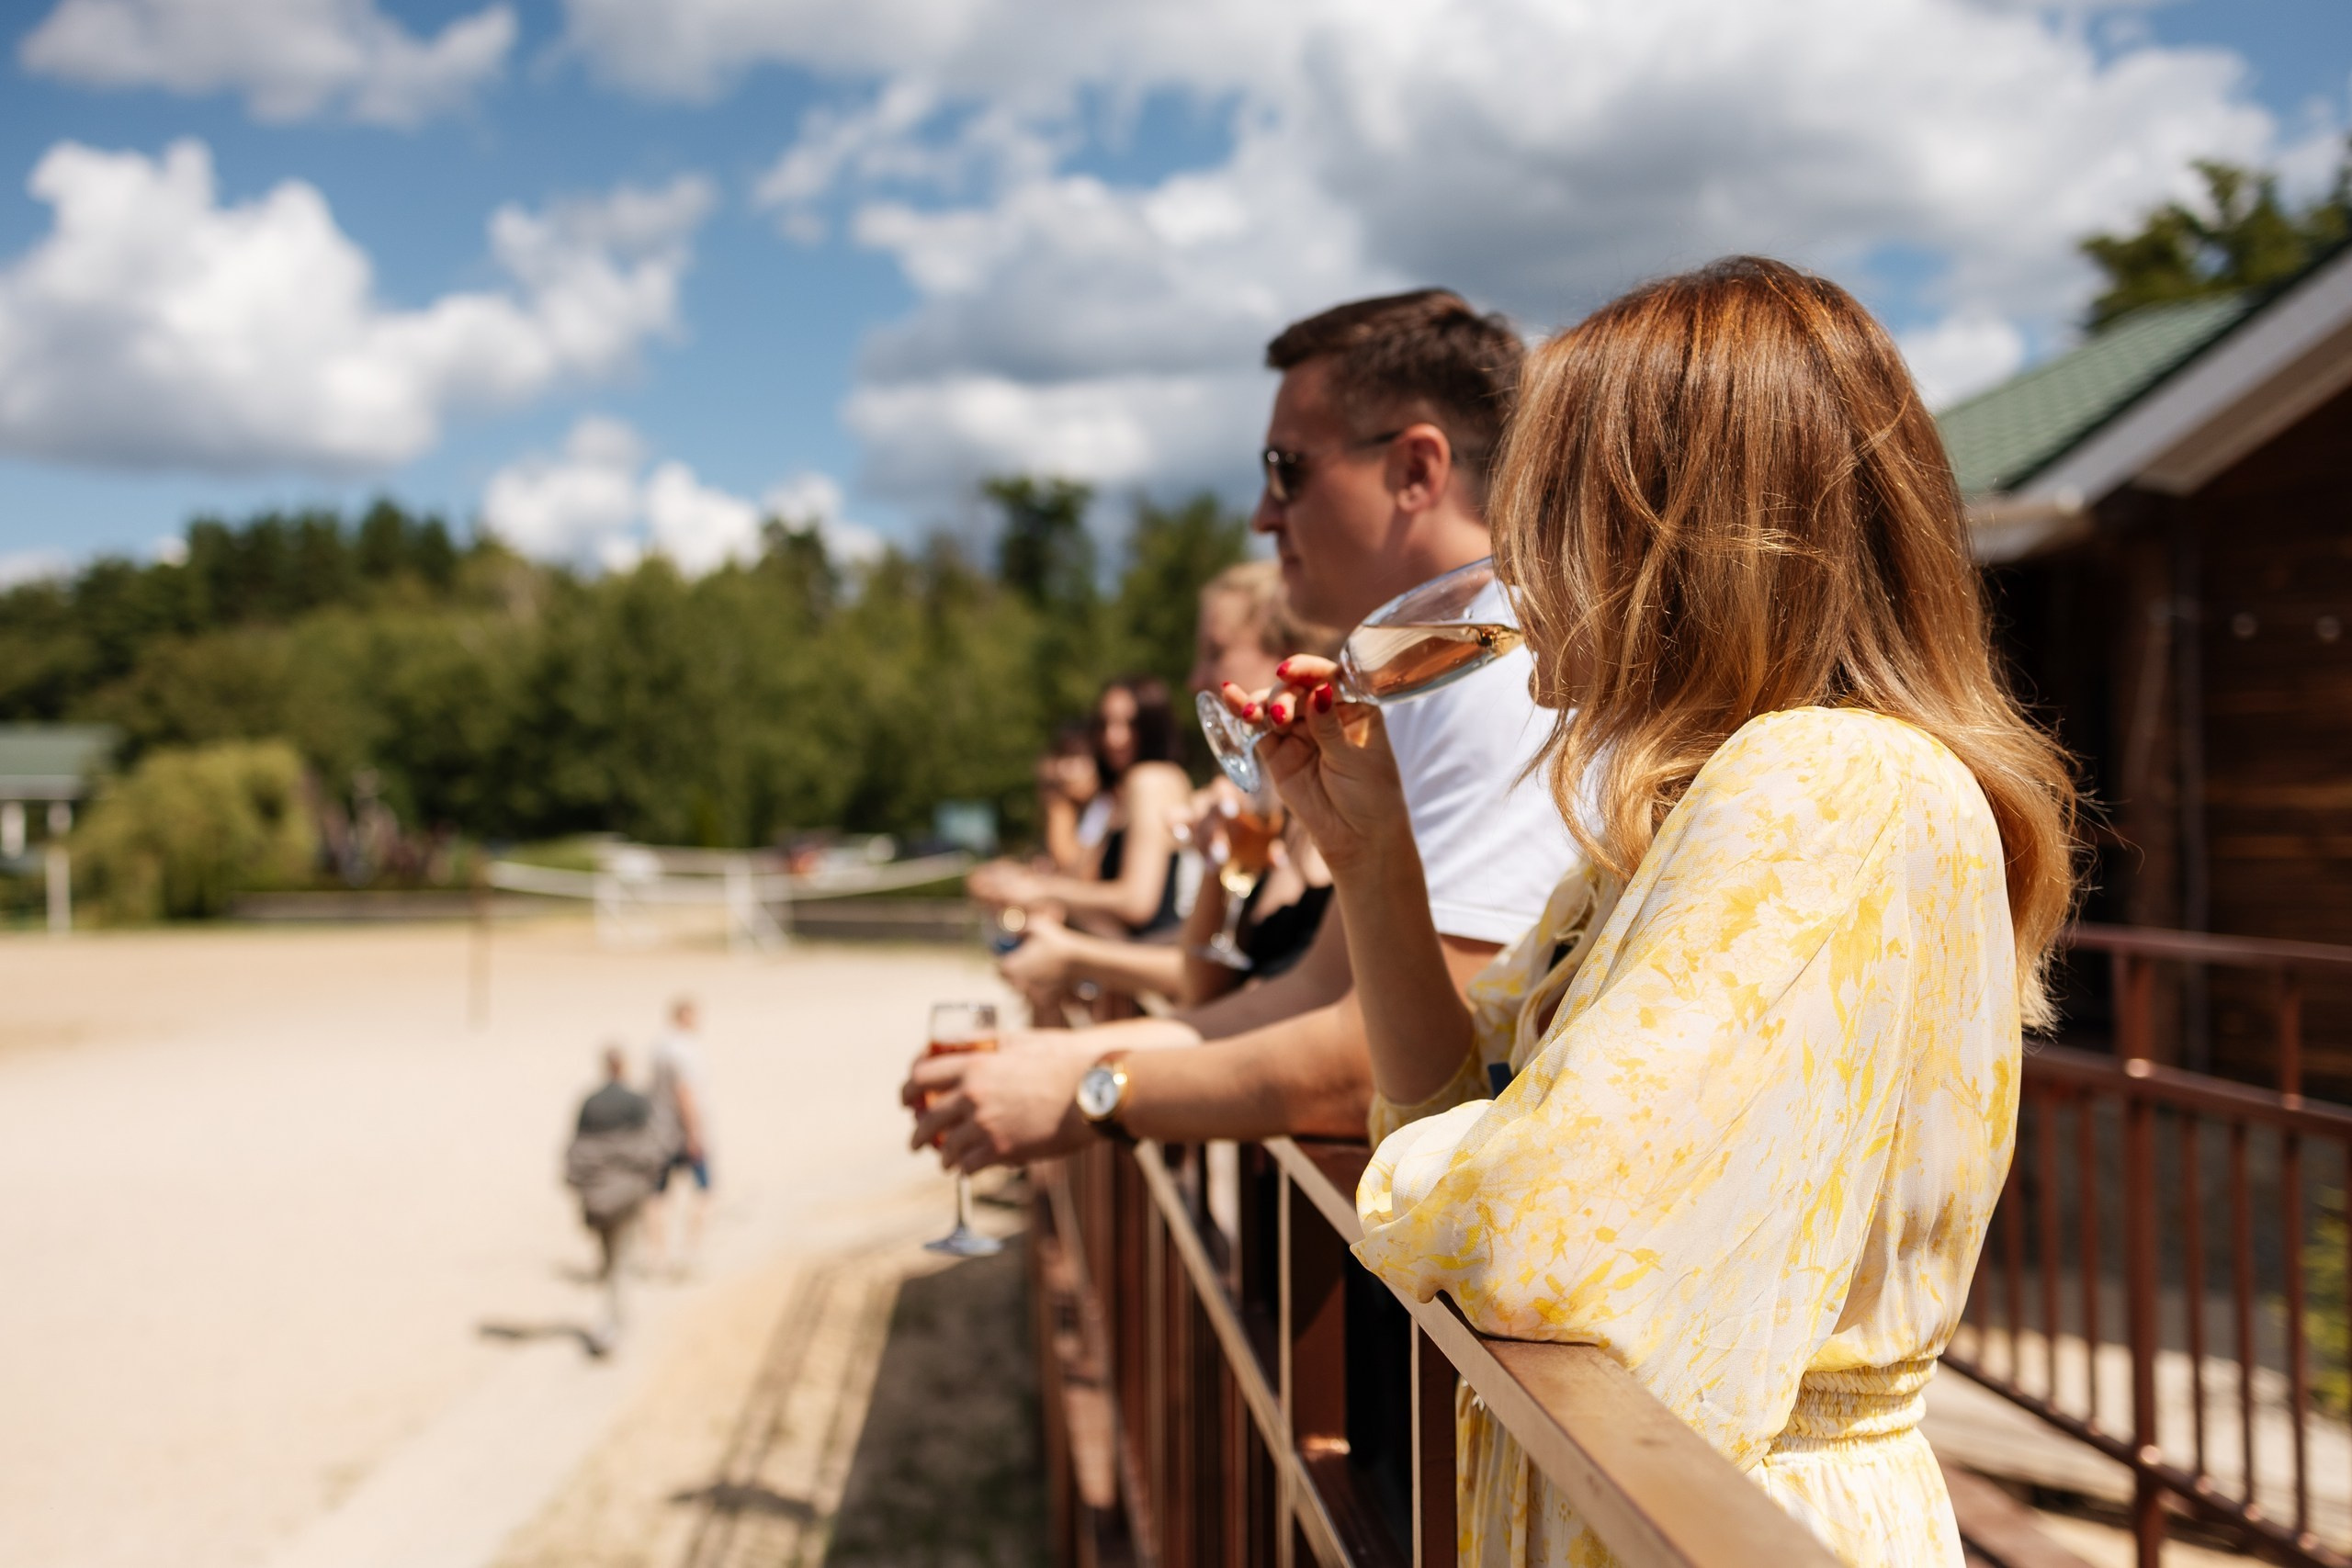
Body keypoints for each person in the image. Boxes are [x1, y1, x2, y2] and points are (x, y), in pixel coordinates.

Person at [1248, 258, 2078, 1565]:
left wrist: (1423, 1199)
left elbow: (1534, 1230)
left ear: (1673, 527)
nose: (1513, 566)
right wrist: (1372, 859)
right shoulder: (1669, 824)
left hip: (1736, 1522)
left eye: (1547, 510)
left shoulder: (1828, 780)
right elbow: (1450, 1113)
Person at [906, 288, 1584, 1164]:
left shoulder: (1499, 665)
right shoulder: (1423, 667)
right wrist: (1045, 1060)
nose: (1264, 514)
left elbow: (1393, 1064)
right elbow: (1311, 995)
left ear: (1416, 471)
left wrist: (1092, 1090)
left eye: (1286, 468)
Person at [1000, 561, 1343, 1011]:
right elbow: (1203, 984)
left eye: (1215, 652)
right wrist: (1212, 867)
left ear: (1290, 656)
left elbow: (1142, 911)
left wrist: (1070, 953)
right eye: (1103, 724)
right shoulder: (1261, 805)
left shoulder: (1347, 806)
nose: (1195, 679)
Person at [970, 676, 1193, 942]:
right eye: (1105, 724)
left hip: (1149, 949)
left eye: (1130, 724)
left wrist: (1042, 890)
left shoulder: (1150, 779)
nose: (1114, 737)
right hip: (1127, 943)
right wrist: (1021, 880)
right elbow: (1081, 875)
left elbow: (1137, 902)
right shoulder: (1124, 791)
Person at [563, 1045, 667, 1354]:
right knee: (621, 1260)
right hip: (626, 1196)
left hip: (596, 1198)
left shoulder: (590, 1104)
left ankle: (612, 1320)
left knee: (609, 1259)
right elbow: (650, 1150)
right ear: (623, 1067)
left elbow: (576, 1154)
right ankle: (615, 1324)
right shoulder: (636, 1103)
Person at [642, 997, 711, 1273]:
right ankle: (690, 1253)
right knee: (704, 1192)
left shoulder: (659, 1048)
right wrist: (694, 1133)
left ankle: (657, 1256)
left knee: (657, 1196)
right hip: (680, 1132)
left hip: (658, 1129)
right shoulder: (685, 1051)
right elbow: (685, 1095)